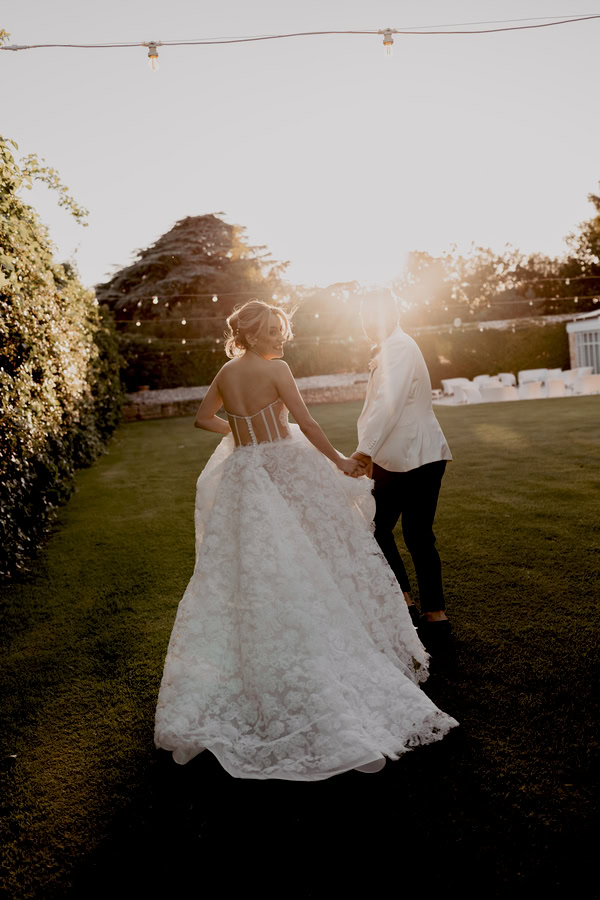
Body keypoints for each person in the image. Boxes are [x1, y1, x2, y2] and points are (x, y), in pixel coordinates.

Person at [153, 299, 458, 780]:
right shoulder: (278, 370)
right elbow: (309, 423)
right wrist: (339, 460)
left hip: (244, 473)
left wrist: (237, 431)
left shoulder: (225, 374)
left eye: (281, 329)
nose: (280, 337)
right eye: (272, 330)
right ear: (250, 334)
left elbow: (202, 418)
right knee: (316, 549)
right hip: (284, 464)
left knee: (255, 564)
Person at [350, 291, 453, 655]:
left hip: (409, 456)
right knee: (396, 531)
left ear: (393, 312)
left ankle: (426, 613)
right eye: (364, 315)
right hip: (412, 455)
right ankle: (420, 611)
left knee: (391, 530)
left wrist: (365, 451)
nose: (368, 322)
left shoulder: (398, 347)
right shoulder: (393, 346)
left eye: (375, 314)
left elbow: (387, 404)